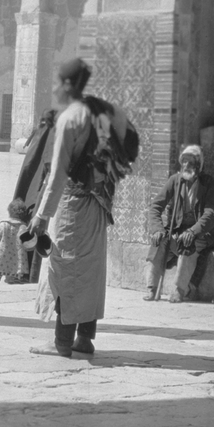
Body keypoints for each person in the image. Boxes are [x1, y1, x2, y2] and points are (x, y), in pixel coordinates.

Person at [29, 58, 138, 359]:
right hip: (99, 202)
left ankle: (62, 342)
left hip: (72, 204)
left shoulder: (71, 118)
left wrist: (41, 215)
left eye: (56, 82)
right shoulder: (102, 112)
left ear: (67, 85)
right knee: (90, 269)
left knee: (64, 267)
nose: (53, 88)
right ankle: (85, 338)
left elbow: (59, 173)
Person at [144, 145, 214, 303]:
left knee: (187, 244)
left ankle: (180, 290)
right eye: (184, 162)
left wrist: (192, 231)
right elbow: (156, 206)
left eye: (191, 162)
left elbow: (210, 213)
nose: (186, 166)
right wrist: (157, 229)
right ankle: (151, 288)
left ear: (198, 165)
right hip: (177, 231)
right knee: (160, 241)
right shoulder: (175, 181)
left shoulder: (209, 183)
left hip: (199, 233)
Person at [13, 109, 57, 284]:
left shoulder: (44, 132)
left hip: (35, 188)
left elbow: (29, 168)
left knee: (31, 224)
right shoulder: (51, 134)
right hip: (38, 189)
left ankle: (26, 273)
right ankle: (28, 273)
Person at [0, 198, 32, 285]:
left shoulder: (3, 225)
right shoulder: (23, 227)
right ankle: (10, 282)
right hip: (17, 256)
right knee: (14, 270)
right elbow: (28, 243)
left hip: (3, 253)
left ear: (9, 211)